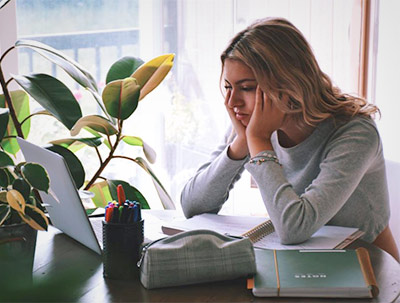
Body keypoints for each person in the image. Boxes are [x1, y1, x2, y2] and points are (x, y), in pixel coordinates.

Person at [180, 17, 399, 261]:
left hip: (366, 267)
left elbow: (294, 228)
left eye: (247, 87)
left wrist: (259, 140)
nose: (232, 103)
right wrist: (241, 143)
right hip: (300, 262)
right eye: (229, 87)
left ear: (287, 82)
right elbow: (192, 205)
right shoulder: (253, 124)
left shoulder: (355, 133)